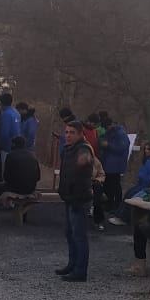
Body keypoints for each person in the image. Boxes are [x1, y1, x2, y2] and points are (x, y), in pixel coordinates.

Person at [56, 120, 94, 282]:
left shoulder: (83, 148)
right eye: (67, 132)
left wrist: (84, 160)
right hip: (69, 196)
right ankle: (72, 264)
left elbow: (86, 158)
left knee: (79, 236)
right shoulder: (67, 149)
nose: (68, 135)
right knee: (70, 233)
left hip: (80, 198)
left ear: (80, 134)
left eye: (72, 132)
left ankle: (80, 271)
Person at [0, 135, 41, 222]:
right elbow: (38, 177)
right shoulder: (33, 156)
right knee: (23, 184)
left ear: (14, 145)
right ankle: (24, 217)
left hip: (15, 188)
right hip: (30, 188)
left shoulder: (10, 156)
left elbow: (6, 176)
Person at [108, 141, 150, 226]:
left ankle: (124, 217)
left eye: (149, 149)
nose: (147, 151)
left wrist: (146, 178)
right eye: (146, 149)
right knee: (129, 193)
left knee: (133, 195)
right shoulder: (149, 160)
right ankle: (119, 214)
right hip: (143, 183)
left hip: (148, 185)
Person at [102, 114, 131, 218]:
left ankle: (116, 204)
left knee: (115, 185)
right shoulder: (110, 132)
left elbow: (122, 148)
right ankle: (109, 203)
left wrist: (108, 145)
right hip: (109, 163)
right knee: (109, 184)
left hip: (116, 164)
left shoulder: (120, 133)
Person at [0, 92, 22, 169]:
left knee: (5, 171)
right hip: (17, 148)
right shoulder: (16, 112)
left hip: (7, 148)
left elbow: (4, 134)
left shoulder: (5, 114)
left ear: (2, 103)